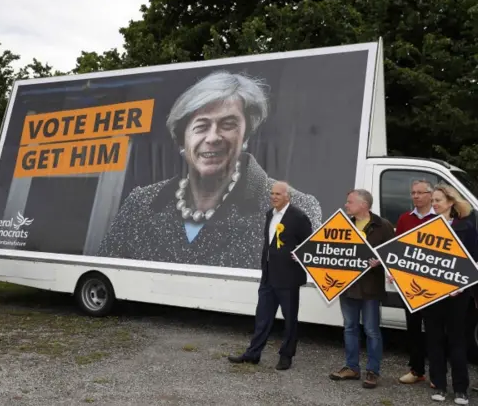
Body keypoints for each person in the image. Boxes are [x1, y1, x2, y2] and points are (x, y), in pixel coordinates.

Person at [97, 70, 322, 268]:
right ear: (182, 138)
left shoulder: (296, 208)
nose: (213, 137)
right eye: (201, 126)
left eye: (228, 125)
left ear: (246, 134)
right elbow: (108, 268)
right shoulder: (140, 205)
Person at [227, 181, 313, 370]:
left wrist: (300, 255)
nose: (274, 197)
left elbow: (310, 244)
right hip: (268, 275)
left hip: (288, 278)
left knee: (290, 319)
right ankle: (253, 354)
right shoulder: (270, 215)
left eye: (278, 194)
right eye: (272, 193)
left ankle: (286, 356)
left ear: (287, 196)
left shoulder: (298, 217)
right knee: (262, 317)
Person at [329, 189, 394, 389]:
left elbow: (394, 257)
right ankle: (351, 367)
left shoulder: (383, 226)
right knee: (350, 328)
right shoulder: (342, 224)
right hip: (347, 287)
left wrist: (380, 263)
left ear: (364, 205)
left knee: (371, 330)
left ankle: (373, 371)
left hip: (370, 289)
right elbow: (329, 250)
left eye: (350, 202)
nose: (346, 205)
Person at [424, 184, 478, 404]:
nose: (434, 203)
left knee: (457, 340)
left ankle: (460, 389)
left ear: (451, 202)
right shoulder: (427, 225)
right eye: (433, 200)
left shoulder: (466, 227)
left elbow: (475, 261)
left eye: (438, 200)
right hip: (431, 293)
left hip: (458, 294)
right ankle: (439, 385)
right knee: (434, 339)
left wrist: (462, 286)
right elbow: (418, 259)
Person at [395, 180, 436, 385]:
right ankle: (416, 370)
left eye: (420, 192)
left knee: (434, 330)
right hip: (408, 284)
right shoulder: (404, 219)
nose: (416, 196)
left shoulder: (440, 219)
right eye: (413, 193)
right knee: (413, 328)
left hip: (433, 285)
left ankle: (437, 374)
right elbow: (397, 249)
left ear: (431, 195)